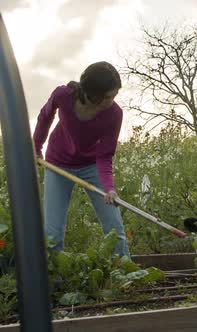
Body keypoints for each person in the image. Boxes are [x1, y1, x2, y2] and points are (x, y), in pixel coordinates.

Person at [33, 61, 130, 257]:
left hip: (92, 166)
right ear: (92, 93)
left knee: (115, 229)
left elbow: (105, 155)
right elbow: (45, 117)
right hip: (57, 163)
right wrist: (36, 148)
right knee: (52, 233)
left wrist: (109, 188)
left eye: (115, 95)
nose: (112, 100)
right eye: (108, 96)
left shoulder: (114, 114)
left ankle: (124, 275)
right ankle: (55, 279)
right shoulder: (63, 95)